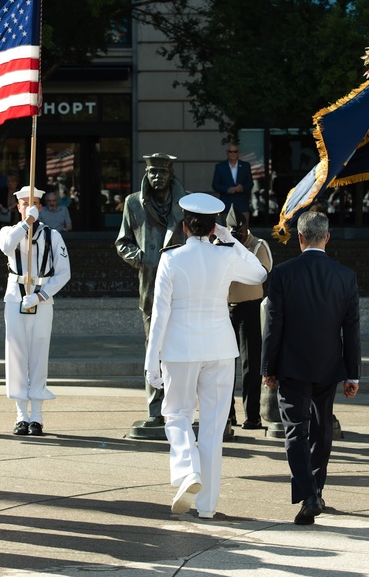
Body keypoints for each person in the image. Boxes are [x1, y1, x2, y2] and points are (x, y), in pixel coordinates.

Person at [145, 193, 267, 519]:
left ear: (184, 226)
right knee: (213, 427)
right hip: (220, 347)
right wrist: (231, 241)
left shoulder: (171, 259)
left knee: (177, 416)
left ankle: (188, 472)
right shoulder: (225, 255)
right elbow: (259, 273)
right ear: (213, 226)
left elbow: (160, 315)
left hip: (180, 349)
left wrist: (150, 362)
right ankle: (208, 506)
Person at [261, 210, 361, 525]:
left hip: (292, 365)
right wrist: (352, 372)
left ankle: (308, 495)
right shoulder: (346, 276)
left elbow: (273, 325)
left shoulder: (282, 273)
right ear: (327, 237)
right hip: (330, 365)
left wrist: (267, 367)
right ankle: (316, 487)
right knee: (321, 431)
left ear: (300, 238)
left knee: (296, 431)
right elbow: (352, 329)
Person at [116, 153, 188, 427]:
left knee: (180, 350)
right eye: (152, 173)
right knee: (153, 349)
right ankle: (155, 410)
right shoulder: (133, 203)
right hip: (150, 286)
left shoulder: (185, 203)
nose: (157, 177)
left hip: (182, 288)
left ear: (171, 175)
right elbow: (122, 241)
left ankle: (177, 407)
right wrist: (140, 257)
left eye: (162, 173)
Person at [0, 186, 71, 435]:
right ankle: (21, 414)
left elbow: (63, 273)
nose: (30, 207)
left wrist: (41, 295)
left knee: (39, 353)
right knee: (17, 354)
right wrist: (26, 223)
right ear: (17, 207)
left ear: (41, 207)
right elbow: (7, 246)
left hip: (41, 298)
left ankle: (37, 415)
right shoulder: (9, 231)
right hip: (15, 297)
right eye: (24, 203)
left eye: (35, 204)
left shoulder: (53, 236)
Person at [224, 209, 272, 429]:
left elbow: (261, 273)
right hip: (224, 309)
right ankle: (227, 415)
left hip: (250, 309)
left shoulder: (258, 245)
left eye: (239, 230)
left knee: (250, 365)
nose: (236, 233)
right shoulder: (218, 244)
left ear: (245, 227)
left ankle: (252, 416)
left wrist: (239, 250)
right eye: (232, 230)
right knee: (223, 365)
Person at [212, 142, 253, 219]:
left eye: (235, 151)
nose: (233, 153)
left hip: (242, 205)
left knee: (243, 230)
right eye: (231, 151)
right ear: (227, 153)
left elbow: (250, 183)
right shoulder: (220, 167)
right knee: (227, 230)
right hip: (227, 205)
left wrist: (242, 188)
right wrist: (227, 189)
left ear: (238, 153)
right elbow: (215, 185)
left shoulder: (245, 166)